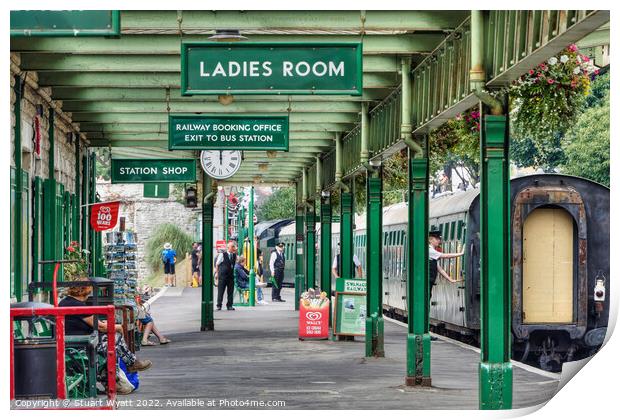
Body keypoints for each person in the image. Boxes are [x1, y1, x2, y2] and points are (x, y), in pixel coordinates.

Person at [59, 283, 152, 395]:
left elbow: (93, 323)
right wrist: (118, 327)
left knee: (109, 342)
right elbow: (101, 327)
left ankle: (121, 375)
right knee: (114, 338)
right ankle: (129, 365)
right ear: (85, 291)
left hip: (75, 341)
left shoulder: (66, 302)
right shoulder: (77, 305)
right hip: (78, 345)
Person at [428, 229, 464, 341]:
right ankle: (424, 332)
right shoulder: (429, 250)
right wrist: (461, 254)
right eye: (437, 239)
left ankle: (425, 332)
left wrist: (450, 279)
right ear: (431, 239)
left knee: (426, 307)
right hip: (426, 282)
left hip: (429, 283)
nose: (439, 241)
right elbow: (445, 256)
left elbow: (439, 268)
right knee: (425, 307)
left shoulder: (431, 252)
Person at [215, 240, 238, 310]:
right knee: (221, 291)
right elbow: (217, 264)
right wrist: (217, 273)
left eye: (234, 246)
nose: (234, 248)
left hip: (230, 276)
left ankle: (229, 305)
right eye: (232, 246)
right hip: (222, 276)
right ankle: (219, 305)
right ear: (228, 247)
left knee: (230, 291)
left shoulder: (234, 255)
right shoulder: (222, 255)